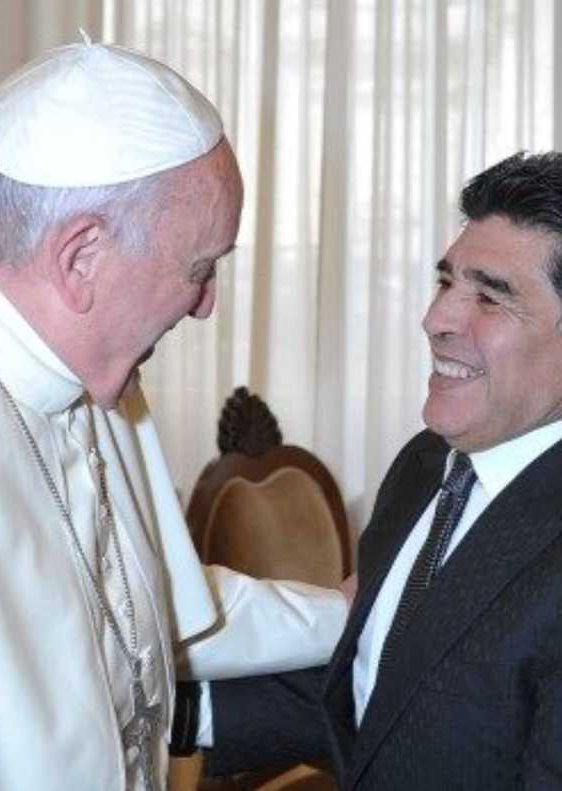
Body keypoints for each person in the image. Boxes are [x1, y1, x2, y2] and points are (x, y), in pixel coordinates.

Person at [0, 42, 349, 791]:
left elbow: (147, 611)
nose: (206, 305)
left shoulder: (97, 370)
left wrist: (346, 612)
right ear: (82, 257)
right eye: (200, 268)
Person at [200, 151, 562, 789]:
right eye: (446, 282)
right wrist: (160, 709)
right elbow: (375, 689)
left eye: (489, 297)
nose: (436, 318)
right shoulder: (426, 464)